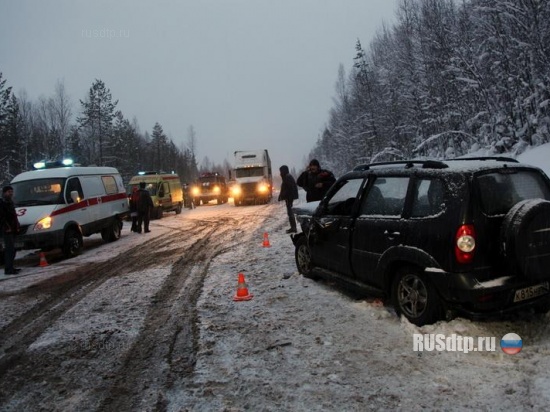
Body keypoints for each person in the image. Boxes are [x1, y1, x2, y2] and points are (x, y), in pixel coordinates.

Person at [0, 185, 21, 275]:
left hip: (12, 229)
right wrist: (6, 227)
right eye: (9, 192)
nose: (11, 193)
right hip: (6, 230)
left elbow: (14, 216)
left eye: (11, 192)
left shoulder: (10, 202)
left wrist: (17, 225)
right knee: (9, 250)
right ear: (4, 193)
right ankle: (8, 269)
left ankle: (11, 267)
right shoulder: (2, 203)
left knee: (12, 249)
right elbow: (1, 217)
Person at [278, 165, 299, 234]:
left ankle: (293, 228)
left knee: (290, 213)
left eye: (281, 171)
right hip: (289, 197)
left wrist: (284, 196)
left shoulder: (287, 177)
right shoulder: (287, 177)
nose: (280, 173)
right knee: (290, 212)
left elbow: (289, 189)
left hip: (289, 198)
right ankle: (293, 227)